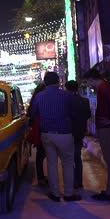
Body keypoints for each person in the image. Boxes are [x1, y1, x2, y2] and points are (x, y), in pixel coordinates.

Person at [32, 72, 80, 202]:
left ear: (45, 82)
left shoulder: (39, 96)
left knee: (52, 164)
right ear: (58, 81)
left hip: (46, 134)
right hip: (65, 134)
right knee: (68, 164)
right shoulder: (67, 95)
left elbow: (33, 114)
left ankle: (55, 194)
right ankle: (69, 194)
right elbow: (74, 114)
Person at [83, 68, 110, 201]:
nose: (89, 85)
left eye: (88, 82)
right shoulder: (105, 87)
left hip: (107, 129)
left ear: (92, 79)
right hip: (108, 127)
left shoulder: (103, 87)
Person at [65, 80, 91, 190]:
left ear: (66, 89)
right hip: (79, 132)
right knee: (77, 158)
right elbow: (88, 115)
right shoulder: (84, 101)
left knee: (68, 159)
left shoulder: (65, 101)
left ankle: (71, 182)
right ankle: (79, 182)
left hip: (68, 132)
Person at [27, 82, 48, 187]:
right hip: (44, 129)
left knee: (40, 155)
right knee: (47, 155)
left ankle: (41, 178)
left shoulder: (35, 100)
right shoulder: (45, 99)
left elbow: (31, 115)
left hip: (39, 130)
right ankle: (44, 178)